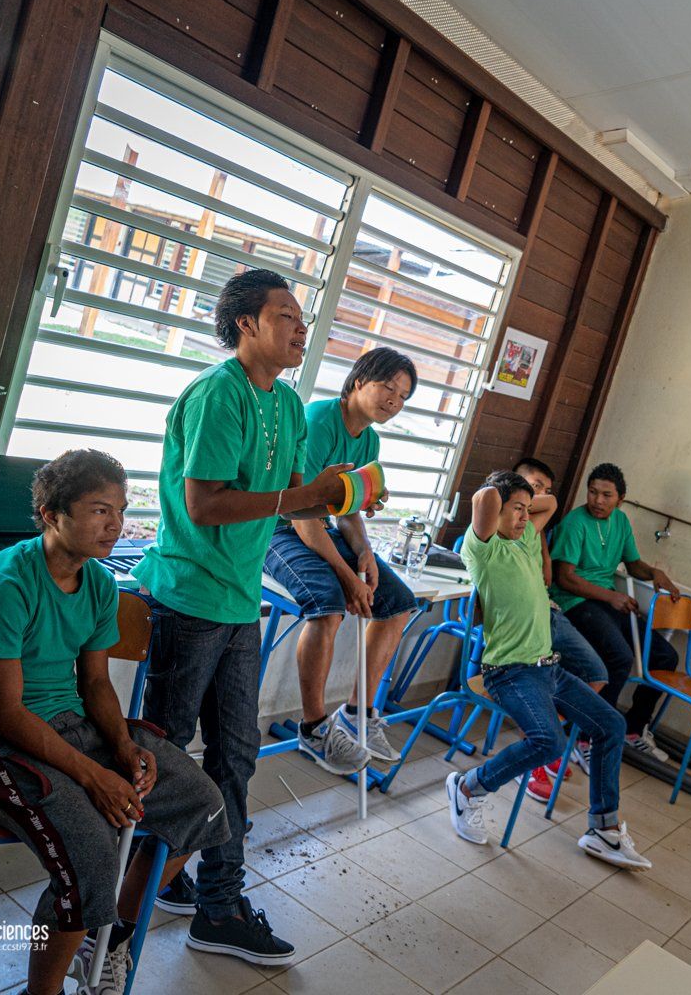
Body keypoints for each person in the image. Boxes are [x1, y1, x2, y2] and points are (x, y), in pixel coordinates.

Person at [0, 451, 230, 995]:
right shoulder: (2, 589)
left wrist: (121, 746)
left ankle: (107, 936)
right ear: (52, 514)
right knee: (93, 859)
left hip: (72, 725)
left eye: (120, 511)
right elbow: (7, 714)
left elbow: (95, 683)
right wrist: (94, 776)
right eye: (100, 510)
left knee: (204, 805)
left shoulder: (97, 583)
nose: (115, 525)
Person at [130, 269, 346, 966]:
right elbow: (205, 505)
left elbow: (295, 495)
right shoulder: (216, 394)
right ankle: (138, 889)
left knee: (236, 754)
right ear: (246, 323)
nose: (301, 329)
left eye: (302, 318)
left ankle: (217, 904)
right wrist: (301, 498)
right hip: (188, 598)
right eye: (286, 315)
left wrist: (341, 496)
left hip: (236, 602)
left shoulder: (288, 405)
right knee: (167, 754)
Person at [444, 471, 651, 870]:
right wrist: (506, 492)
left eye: (527, 509)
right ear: (497, 511)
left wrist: (520, 501)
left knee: (610, 725)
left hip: (549, 669)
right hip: (509, 671)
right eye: (517, 509)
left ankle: (603, 829)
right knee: (549, 742)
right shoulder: (482, 548)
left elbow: (551, 503)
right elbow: (485, 498)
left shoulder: (524, 539)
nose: (526, 517)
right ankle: (467, 789)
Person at [263, 347, 417, 777]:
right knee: (328, 603)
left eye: (403, 396)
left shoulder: (370, 440)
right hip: (276, 527)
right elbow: (301, 515)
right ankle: (313, 728)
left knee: (399, 602)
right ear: (358, 381)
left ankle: (356, 713)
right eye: (388, 387)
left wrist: (364, 551)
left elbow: (346, 511)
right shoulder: (318, 421)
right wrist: (348, 575)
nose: (394, 400)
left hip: (317, 527)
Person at [550, 462, 682, 760]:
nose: (597, 500)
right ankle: (586, 736)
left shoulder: (620, 521)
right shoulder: (575, 523)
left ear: (620, 499)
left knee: (665, 657)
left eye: (606, 495)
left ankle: (634, 729)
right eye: (593, 492)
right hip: (575, 602)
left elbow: (633, 564)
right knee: (619, 656)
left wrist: (654, 572)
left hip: (606, 601)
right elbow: (565, 578)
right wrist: (611, 597)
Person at [511, 456, 608, 800]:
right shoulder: (498, 524)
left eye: (546, 490)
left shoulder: (534, 529)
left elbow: (548, 577)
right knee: (539, 678)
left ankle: (546, 741)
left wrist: (542, 547)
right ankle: (533, 755)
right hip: (521, 621)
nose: (541, 496)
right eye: (535, 487)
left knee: (596, 674)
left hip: (548, 610)